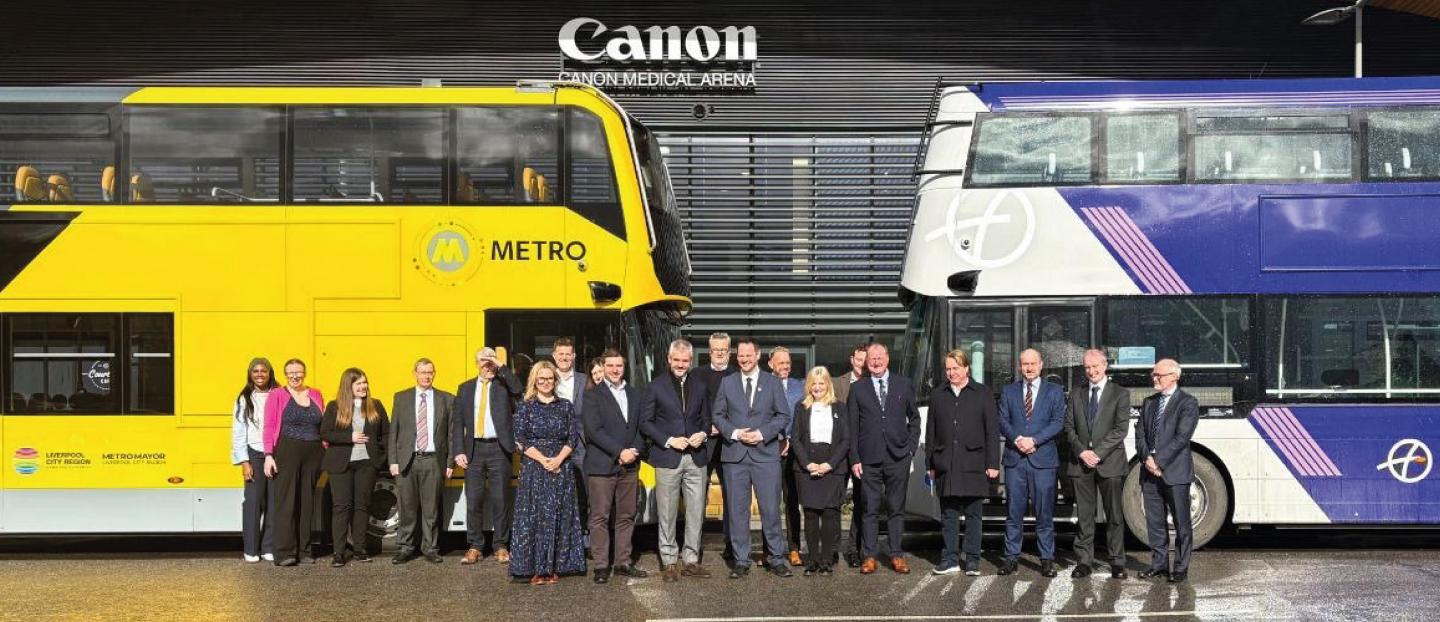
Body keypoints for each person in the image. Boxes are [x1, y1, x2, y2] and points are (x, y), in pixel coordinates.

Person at [714, 337, 793, 579]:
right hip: (735, 456)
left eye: (748, 355)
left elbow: (783, 415)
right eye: (740, 355)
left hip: (765, 455)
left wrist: (761, 433)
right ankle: (741, 560)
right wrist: (736, 433)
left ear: (757, 356)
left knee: (770, 509)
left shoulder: (772, 382)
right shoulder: (727, 383)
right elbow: (717, 415)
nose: (744, 359)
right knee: (738, 511)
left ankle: (777, 559)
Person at [640, 339, 713, 582]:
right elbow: (646, 423)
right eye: (677, 360)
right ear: (669, 360)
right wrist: (670, 440)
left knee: (695, 511)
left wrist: (702, 434)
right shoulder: (655, 386)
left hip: (696, 457)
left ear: (690, 361)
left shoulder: (700, 385)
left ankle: (691, 559)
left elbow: (706, 418)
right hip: (668, 456)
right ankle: (669, 561)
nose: (681, 364)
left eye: (685, 361)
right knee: (667, 512)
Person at [509, 361, 586, 585]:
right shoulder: (526, 406)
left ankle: (554, 567)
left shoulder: (565, 406)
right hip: (535, 467)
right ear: (535, 380)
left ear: (555, 380)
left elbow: (572, 438)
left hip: (561, 467)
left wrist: (558, 459)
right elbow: (521, 439)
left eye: (549, 378)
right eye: (541, 379)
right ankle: (534, 568)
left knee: (559, 516)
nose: (545, 382)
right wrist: (544, 460)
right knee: (534, 518)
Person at [848, 342, 921, 575]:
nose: (876, 362)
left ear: (888, 359)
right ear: (866, 362)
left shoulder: (903, 384)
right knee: (869, 509)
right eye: (872, 359)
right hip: (868, 459)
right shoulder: (858, 388)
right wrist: (855, 458)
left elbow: (915, 420)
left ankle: (896, 554)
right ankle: (869, 555)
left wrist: (910, 449)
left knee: (895, 508)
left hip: (898, 457)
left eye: (880, 358)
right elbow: (851, 428)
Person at [925, 350, 999, 576]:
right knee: (949, 514)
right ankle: (950, 559)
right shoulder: (938, 395)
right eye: (948, 369)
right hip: (946, 462)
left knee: (974, 514)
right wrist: (930, 464)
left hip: (974, 462)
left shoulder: (983, 393)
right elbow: (931, 432)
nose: (951, 373)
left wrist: (993, 462)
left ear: (966, 368)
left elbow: (992, 431)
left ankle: (973, 560)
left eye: (956, 368)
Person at [1063, 349, 1131, 579]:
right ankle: (1084, 561)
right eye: (1087, 368)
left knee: (1114, 515)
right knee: (1084, 515)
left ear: (1105, 366)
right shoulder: (1076, 394)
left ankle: (1117, 561)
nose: (1091, 371)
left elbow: (1120, 429)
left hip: (1110, 462)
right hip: (1081, 463)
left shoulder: (1120, 393)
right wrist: (1083, 452)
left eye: (1095, 367)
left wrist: (1097, 453)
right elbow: (1069, 428)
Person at [998, 348, 1066, 578]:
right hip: (1015, 459)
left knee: (1044, 513)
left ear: (1041, 364)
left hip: (1043, 460)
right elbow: (1003, 420)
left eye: (1033, 363)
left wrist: (1035, 440)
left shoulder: (1055, 391)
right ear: (1019, 366)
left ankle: (1047, 559)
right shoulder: (1008, 391)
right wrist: (1018, 439)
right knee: (1013, 513)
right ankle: (1011, 558)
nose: (1028, 368)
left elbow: (1058, 422)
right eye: (1024, 364)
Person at [583, 348, 648, 584]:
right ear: (604, 366)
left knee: (626, 515)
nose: (614, 370)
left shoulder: (635, 394)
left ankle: (622, 562)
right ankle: (601, 565)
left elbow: (642, 428)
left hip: (630, 465)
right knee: (600, 517)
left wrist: (633, 451)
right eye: (610, 365)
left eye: (618, 366)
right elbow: (593, 430)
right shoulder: (592, 395)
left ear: (624, 367)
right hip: (602, 465)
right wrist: (619, 451)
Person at [453, 347, 523, 565]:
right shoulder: (465, 388)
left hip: (499, 449)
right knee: (473, 500)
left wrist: (500, 364)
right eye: (484, 361)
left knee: (501, 500)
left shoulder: (503, 386)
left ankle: (501, 545)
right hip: (473, 450)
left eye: (490, 360)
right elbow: (458, 423)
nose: (488, 365)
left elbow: (519, 388)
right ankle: (475, 546)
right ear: (476, 363)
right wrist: (458, 450)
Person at [1137, 358, 1199, 583]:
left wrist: (1159, 461)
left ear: (1174, 376)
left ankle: (1180, 568)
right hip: (1150, 472)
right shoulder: (1149, 402)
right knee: (1155, 521)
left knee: (1182, 522)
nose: (1154, 378)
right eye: (1153, 375)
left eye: (1159, 375)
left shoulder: (1188, 403)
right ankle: (1159, 564)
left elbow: (1182, 437)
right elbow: (1140, 433)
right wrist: (1146, 458)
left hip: (1174, 472)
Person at [320, 367, 389, 567]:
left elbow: (386, 432)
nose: (363, 386)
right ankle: (339, 553)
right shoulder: (334, 407)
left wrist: (380, 455)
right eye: (359, 383)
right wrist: (348, 437)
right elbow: (325, 433)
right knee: (342, 507)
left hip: (367, 464)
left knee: (362, 506)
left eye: (365, 383)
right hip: (341, 463)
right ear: (348, 386)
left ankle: (359, 549)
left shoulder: (376, 405)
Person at [389, 358, 455, 564]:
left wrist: (450, 462)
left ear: (434, 374)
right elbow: (394, 432)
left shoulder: (447, 399)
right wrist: (393, 460)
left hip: (433, 461)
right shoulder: (401, 398)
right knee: (406, 507)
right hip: (407, 460)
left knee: (431, 509)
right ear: (415, 373)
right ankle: (405, 547)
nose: (426, 376)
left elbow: (451, 434)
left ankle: (430, 548)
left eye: (430, 372)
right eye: (422, 372)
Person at [262, 358, 326, 566]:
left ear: (305, 373)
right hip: (287, 449)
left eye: (298, 372)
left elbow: (322, 424)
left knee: (307, 502)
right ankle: (283, 552)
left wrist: (326, 449)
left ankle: (305, 550)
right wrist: (269, 455)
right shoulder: (277, 395)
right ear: (285, 375)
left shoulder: (316, 394)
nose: (295, 376)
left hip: (313, 451)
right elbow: (270, 426)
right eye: (291, 373)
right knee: (286, 502)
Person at [790, 366, 850, 577]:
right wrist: (807, 464)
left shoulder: (840, 408)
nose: (817, 387)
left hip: (832, 466)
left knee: (830, 514)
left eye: (821, 383)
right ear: (809, 386)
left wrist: (830, 464)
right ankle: (812, 560)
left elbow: (845, 440)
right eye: (813, 383)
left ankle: (827, 560)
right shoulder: (801, 407)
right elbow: (795, 438)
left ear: (828, 385)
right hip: (807, 467)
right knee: (811, 514)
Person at [230, 357, 278, 563]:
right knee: (253, 502)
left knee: (275, 503)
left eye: (263, 371)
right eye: (255, 371)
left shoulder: (279, 394)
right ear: (250, 374)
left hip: (277, 454)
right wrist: (244, 461)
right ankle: (251, 549)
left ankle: (268, 547)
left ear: (270, 373)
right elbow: (239, 432)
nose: (260, 374)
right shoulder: (244, 398)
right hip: (255, 453)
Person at [696, 332, 738, 562]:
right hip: (704, 443)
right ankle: (695, 545)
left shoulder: (737, 375)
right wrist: (706, 426)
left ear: (729, 351)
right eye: (715, 350)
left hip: (730, 443)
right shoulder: (697, 375)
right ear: (709, 351)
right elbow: (693, 406)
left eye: (724, 349)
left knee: (732, 496)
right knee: (697, 496)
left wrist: (726, 427)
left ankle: (732, 545)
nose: (720, 353)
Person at [831, 343, 868, 567]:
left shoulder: (872, 385)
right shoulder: (836, 384)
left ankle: (854, 549)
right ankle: (833, 549)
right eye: (859, 359)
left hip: (862, 453)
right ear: (852, 359)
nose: (862, 364)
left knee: (861, 503)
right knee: (835, 502)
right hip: (839, 453)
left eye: (866, 360)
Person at [770, 346, 806, 567]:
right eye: (780, 362)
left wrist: (791, 439)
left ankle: (794, 549)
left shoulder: (800, 387)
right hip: (768, 452)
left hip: (793, 453)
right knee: (770, 503)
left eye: (787, 363)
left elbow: (804, 419)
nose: (784, 366)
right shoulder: (762, 385)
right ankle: (769, 549)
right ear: (770, 364)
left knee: (792, 502)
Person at [552, 337, 589, 540]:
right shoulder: (547, 378)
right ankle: (560, 538)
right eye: (561, 354)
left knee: (583, 494)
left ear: (574, 356)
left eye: (568, 354)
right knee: (558, 495)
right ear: (554, 356)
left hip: (581, 446)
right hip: (555, 446)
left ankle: (583, 536)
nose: (564, 358)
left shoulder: (585, 380)